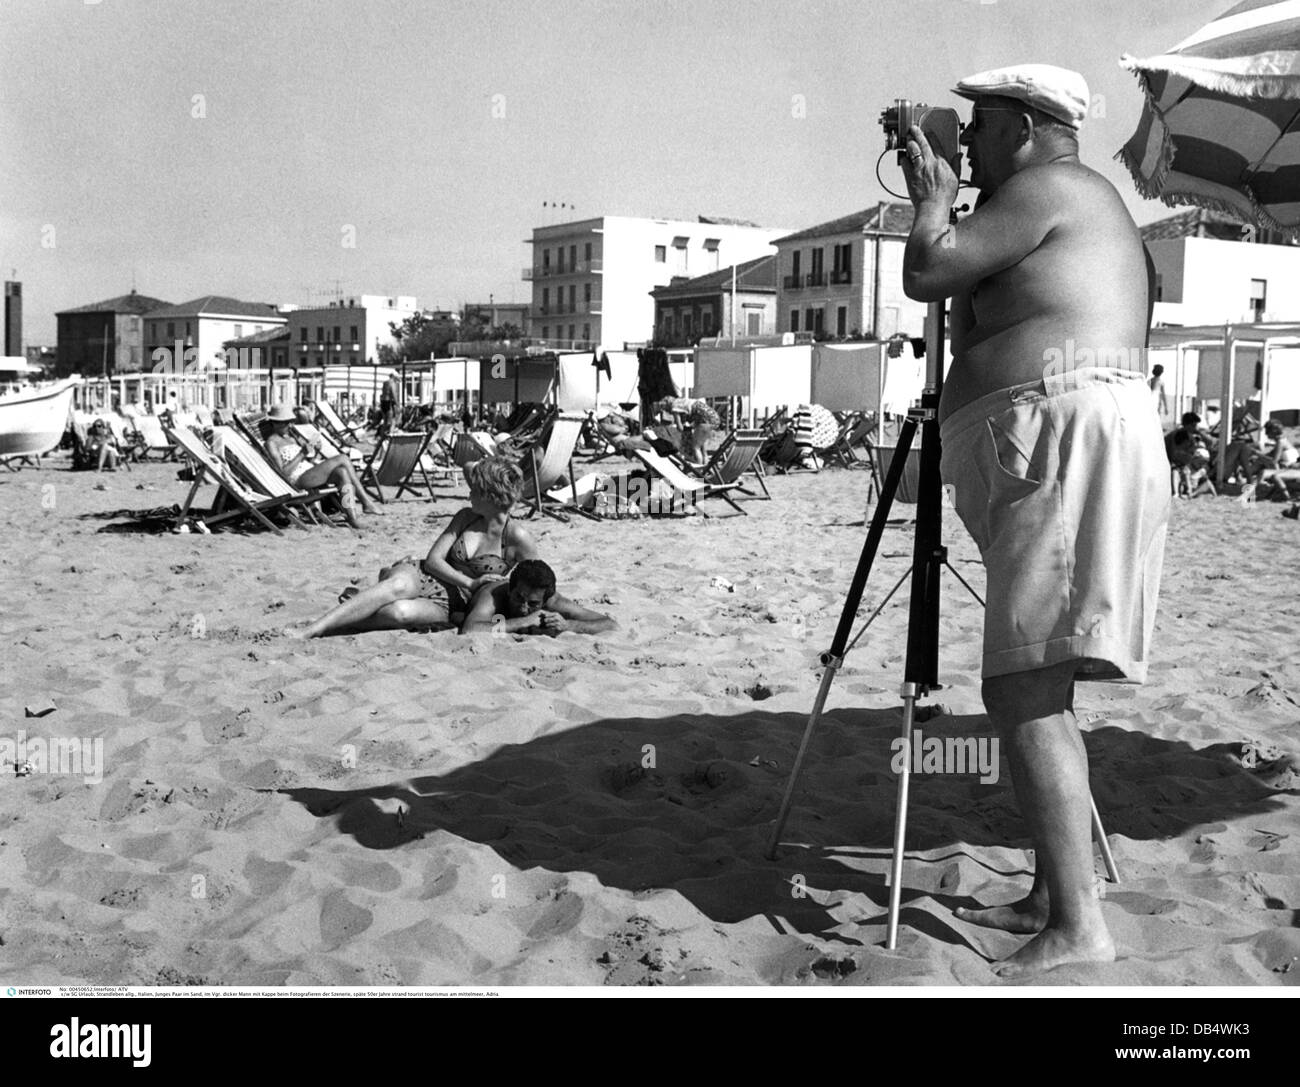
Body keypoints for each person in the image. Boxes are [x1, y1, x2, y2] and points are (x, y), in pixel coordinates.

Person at [902, 63, 1171, 975]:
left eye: (977, 130)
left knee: (1022, 690)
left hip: (1059, 433)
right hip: (1057, 436)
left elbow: (927, 272)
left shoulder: (1048, 186)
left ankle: (1079, 927)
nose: (966, 147)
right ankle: (1059, 893)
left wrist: (932, 200)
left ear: (1020, 125)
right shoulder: (1067, 205)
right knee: (1037, 678)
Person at [285, 454, 537, 638]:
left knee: (398, 614)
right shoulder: (465, 517)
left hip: (453, 604)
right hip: (426, 576)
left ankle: (360, 601)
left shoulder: (518, 539)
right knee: (399, 585)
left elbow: (538, 586)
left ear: (491, 496)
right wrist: (471, 583)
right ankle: (314, 629)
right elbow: (433, 561)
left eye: (476, 490)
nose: (469, 494)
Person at [261, 404, 382, 529]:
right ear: (276, 423)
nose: (290, 426)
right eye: (286, 423)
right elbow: (282, 474)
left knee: (342, 472)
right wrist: (302, 453)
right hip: (295, 481)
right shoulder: (271, 443)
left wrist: (315, 451)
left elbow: (307, 461)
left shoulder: (291, 438)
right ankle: (366, 502)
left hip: (307, 473)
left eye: (291, 422)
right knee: (343, 458)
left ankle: (353, 518)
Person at [460, 559, 617, 636]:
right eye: (519, 598)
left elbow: (610, 624)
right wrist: (525, 621)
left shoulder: (553, 600)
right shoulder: (493, 595)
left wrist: (568, 625)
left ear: (544, 601)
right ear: (509, 590)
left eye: (533, 604)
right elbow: (470, 629)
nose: (523, 608)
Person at [654, 396, 718, 463]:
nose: (666, 411)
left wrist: (672, 429)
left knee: (696, 448)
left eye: (665, 409)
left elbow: (680, 428)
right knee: (702, 448)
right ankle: (705, 467)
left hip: (705, 421)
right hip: (714, 418)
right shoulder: (681, 401)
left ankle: (699, 470)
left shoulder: (674, 407)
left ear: (667, 405)